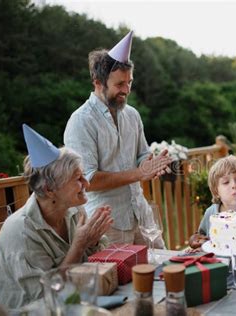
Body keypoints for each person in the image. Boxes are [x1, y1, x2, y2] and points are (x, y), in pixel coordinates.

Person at [64, 31, 171, 246]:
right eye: (119, 84)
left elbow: (142, 154)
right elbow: (88, 180)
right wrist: (138, 173)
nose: (126, 90)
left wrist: (149, 164)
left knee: (163, 269)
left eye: (129, 82)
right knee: (118, 280)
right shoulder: (80, 122)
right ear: (97, 82)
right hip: (106, 223)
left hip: (141, 214)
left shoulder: (132, 115)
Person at [0, 125, 113, 309]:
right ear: (50, 190)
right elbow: (45, 295)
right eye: (77, 178)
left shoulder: (75, 211)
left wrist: (93, 242)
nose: (87, 184)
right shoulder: (21, 233)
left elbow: (97, 260)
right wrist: (79, 245)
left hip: (72, 302)